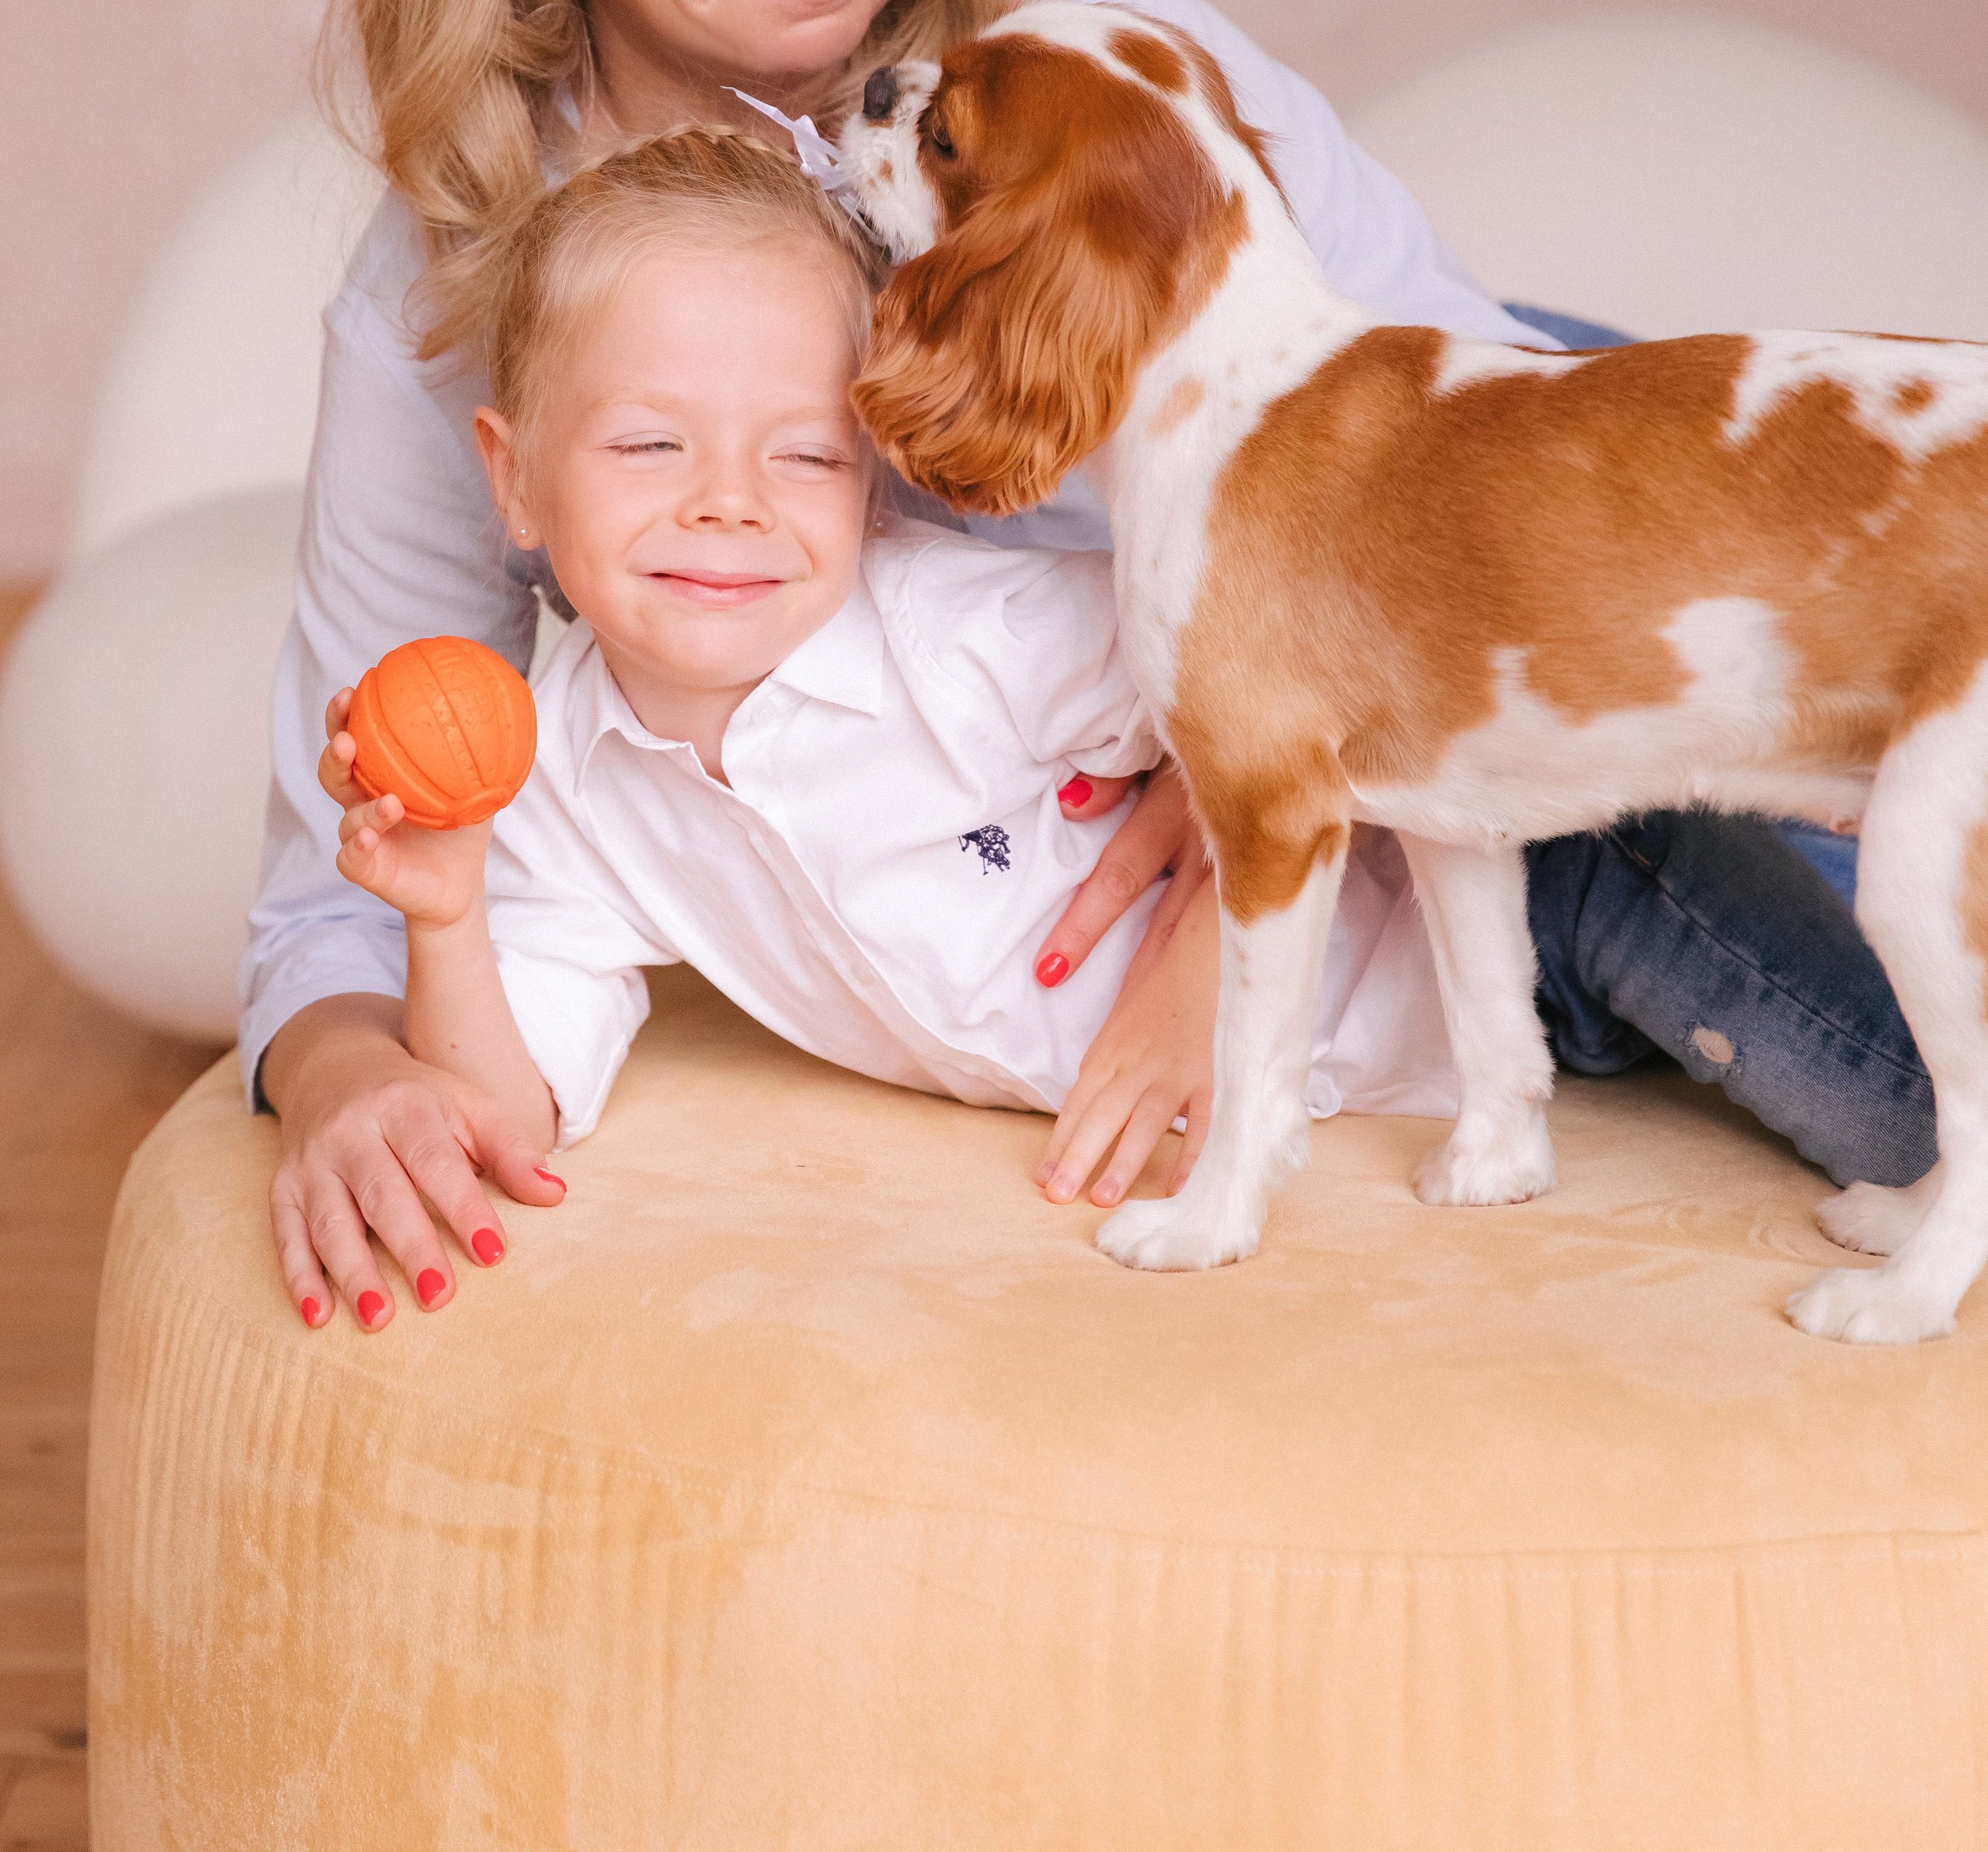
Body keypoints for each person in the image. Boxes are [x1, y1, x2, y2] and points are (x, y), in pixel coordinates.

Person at [248, 0, 1545, 1322]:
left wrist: (1250, 770)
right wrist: (355, 1077)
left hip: (1503, 492)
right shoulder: (447, 295)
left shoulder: (1075, 36)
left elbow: (1472, 432)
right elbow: (342, 859)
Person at [296, 130, 1934, 1333]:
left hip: (1571, 871)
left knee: (1910, 1107)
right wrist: (438, 914)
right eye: (650, 443)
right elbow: (507, 1111)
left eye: (801, 457)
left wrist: (1204, 946)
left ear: (869, 483)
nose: (728, 502)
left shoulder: (971, 636)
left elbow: (1323, 642)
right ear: (511, 477)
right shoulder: (566, 790)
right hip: (1497, 1015)